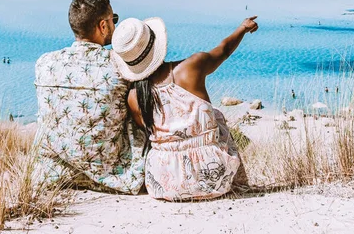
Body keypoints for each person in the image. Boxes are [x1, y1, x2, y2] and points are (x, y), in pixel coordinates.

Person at [111, 15, 259, 201]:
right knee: (216, 116)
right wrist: (243, 28)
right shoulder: (191, 67)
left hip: (163, 183)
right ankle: (234, 180)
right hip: (214, 178)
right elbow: (224, 50)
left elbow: (146, 130)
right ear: (157, 43)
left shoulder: (134, 97)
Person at [33, 0, 146, 194]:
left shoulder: (44, 63)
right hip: (111, 173)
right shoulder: (119, 65)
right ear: (103, 26)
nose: (115, 26)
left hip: (52, 173)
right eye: (114, 20)